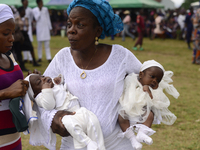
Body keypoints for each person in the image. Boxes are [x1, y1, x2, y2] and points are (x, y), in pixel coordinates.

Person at [32, 0, 154, 149]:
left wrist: (143, 99)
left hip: (117, 144)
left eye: (80, 25)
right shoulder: (62, 57)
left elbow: (148, 78)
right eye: (69, 24)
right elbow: (38, 98)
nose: (71, 30)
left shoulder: (120, 56)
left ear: (98, 30)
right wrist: (53, 118)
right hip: (75, 144)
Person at [23, 73, 105, 150]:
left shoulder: (52, 85)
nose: (43, 79)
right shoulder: (40, 97)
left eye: (42, 76)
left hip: (79, 111)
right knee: (70, 124)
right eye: (39, 81)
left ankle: (100, 147)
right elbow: (49, 105)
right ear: (35, 93)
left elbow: (62, 84)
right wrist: (46, 89)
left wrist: (58, 79)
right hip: (67, 116)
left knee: (93, 121)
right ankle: (88, 142)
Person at [118, 60, 179, 150]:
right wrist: (141, 88)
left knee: (150, 115)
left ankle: (142, 134)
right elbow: (127, 88)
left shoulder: (154, 89)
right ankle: (132, 139)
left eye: (158, 80)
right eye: (152, 77)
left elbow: (154, 101)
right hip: (129, 108)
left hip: (142, 111)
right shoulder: (132, 80)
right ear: (141, 74)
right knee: (121, 117)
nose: (154, 81)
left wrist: (148, 91)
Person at [0, 4, 29, 149]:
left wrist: (30, 83)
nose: (12, 38)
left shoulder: (9, 56)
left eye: (12, 32)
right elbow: (9, 90)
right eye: (6, 33)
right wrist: (6, 93)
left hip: (14, 139)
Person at [21, 0, 34, 64]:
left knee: (29, 43)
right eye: (25, 1)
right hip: (22, 29)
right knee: (23, 43)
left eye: (27, 1)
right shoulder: (21, 9)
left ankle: (31, 58)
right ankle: (25, 58)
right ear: (22, 2)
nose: (26, 2)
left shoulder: (30, 10)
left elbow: (31, 18)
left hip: (28, 28)